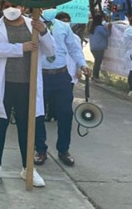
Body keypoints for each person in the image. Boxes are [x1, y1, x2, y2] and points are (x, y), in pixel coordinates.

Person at [0, 3, 55, 188]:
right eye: (7, 5)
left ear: (23, 7)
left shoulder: (33, 24)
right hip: (3, 85)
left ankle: (27, 167)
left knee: (27, 127)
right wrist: (20, 48)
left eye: (15, 5)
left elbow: (51, 51)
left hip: (27, 86)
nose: (11, 8)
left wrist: (44, 32)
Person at [33, 9, 90, 168]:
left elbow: (73, 48)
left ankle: (63, 150)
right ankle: (40, 149)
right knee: (38, 114)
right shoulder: (32, 25)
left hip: (61, 75)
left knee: (65, 114)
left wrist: (82, 64)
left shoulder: (63, 27)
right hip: (40, 76)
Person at [89, 14, 111, 82]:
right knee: (98, 63)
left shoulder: (93, 27)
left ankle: (94, 76)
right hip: (99, 48)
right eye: (102, 19)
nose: (103, 20)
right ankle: (96, 76)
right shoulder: (99, 28)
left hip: (93, 47)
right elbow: (107, 35)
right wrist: (109, 29)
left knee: (97, 62)